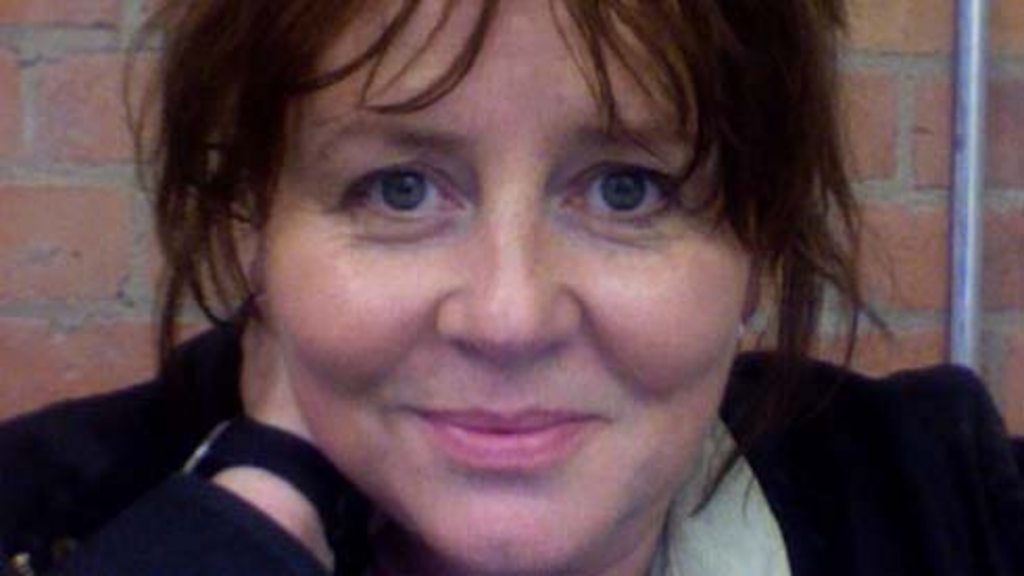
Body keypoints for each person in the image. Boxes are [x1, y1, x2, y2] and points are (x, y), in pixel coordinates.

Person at [2, 0, 1022, 575]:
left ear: (754, 243)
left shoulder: (948, 511)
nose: (508, 315)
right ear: (252, 235)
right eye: (399, 189)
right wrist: (245, 524)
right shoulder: (39, 513)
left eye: (625, 190)